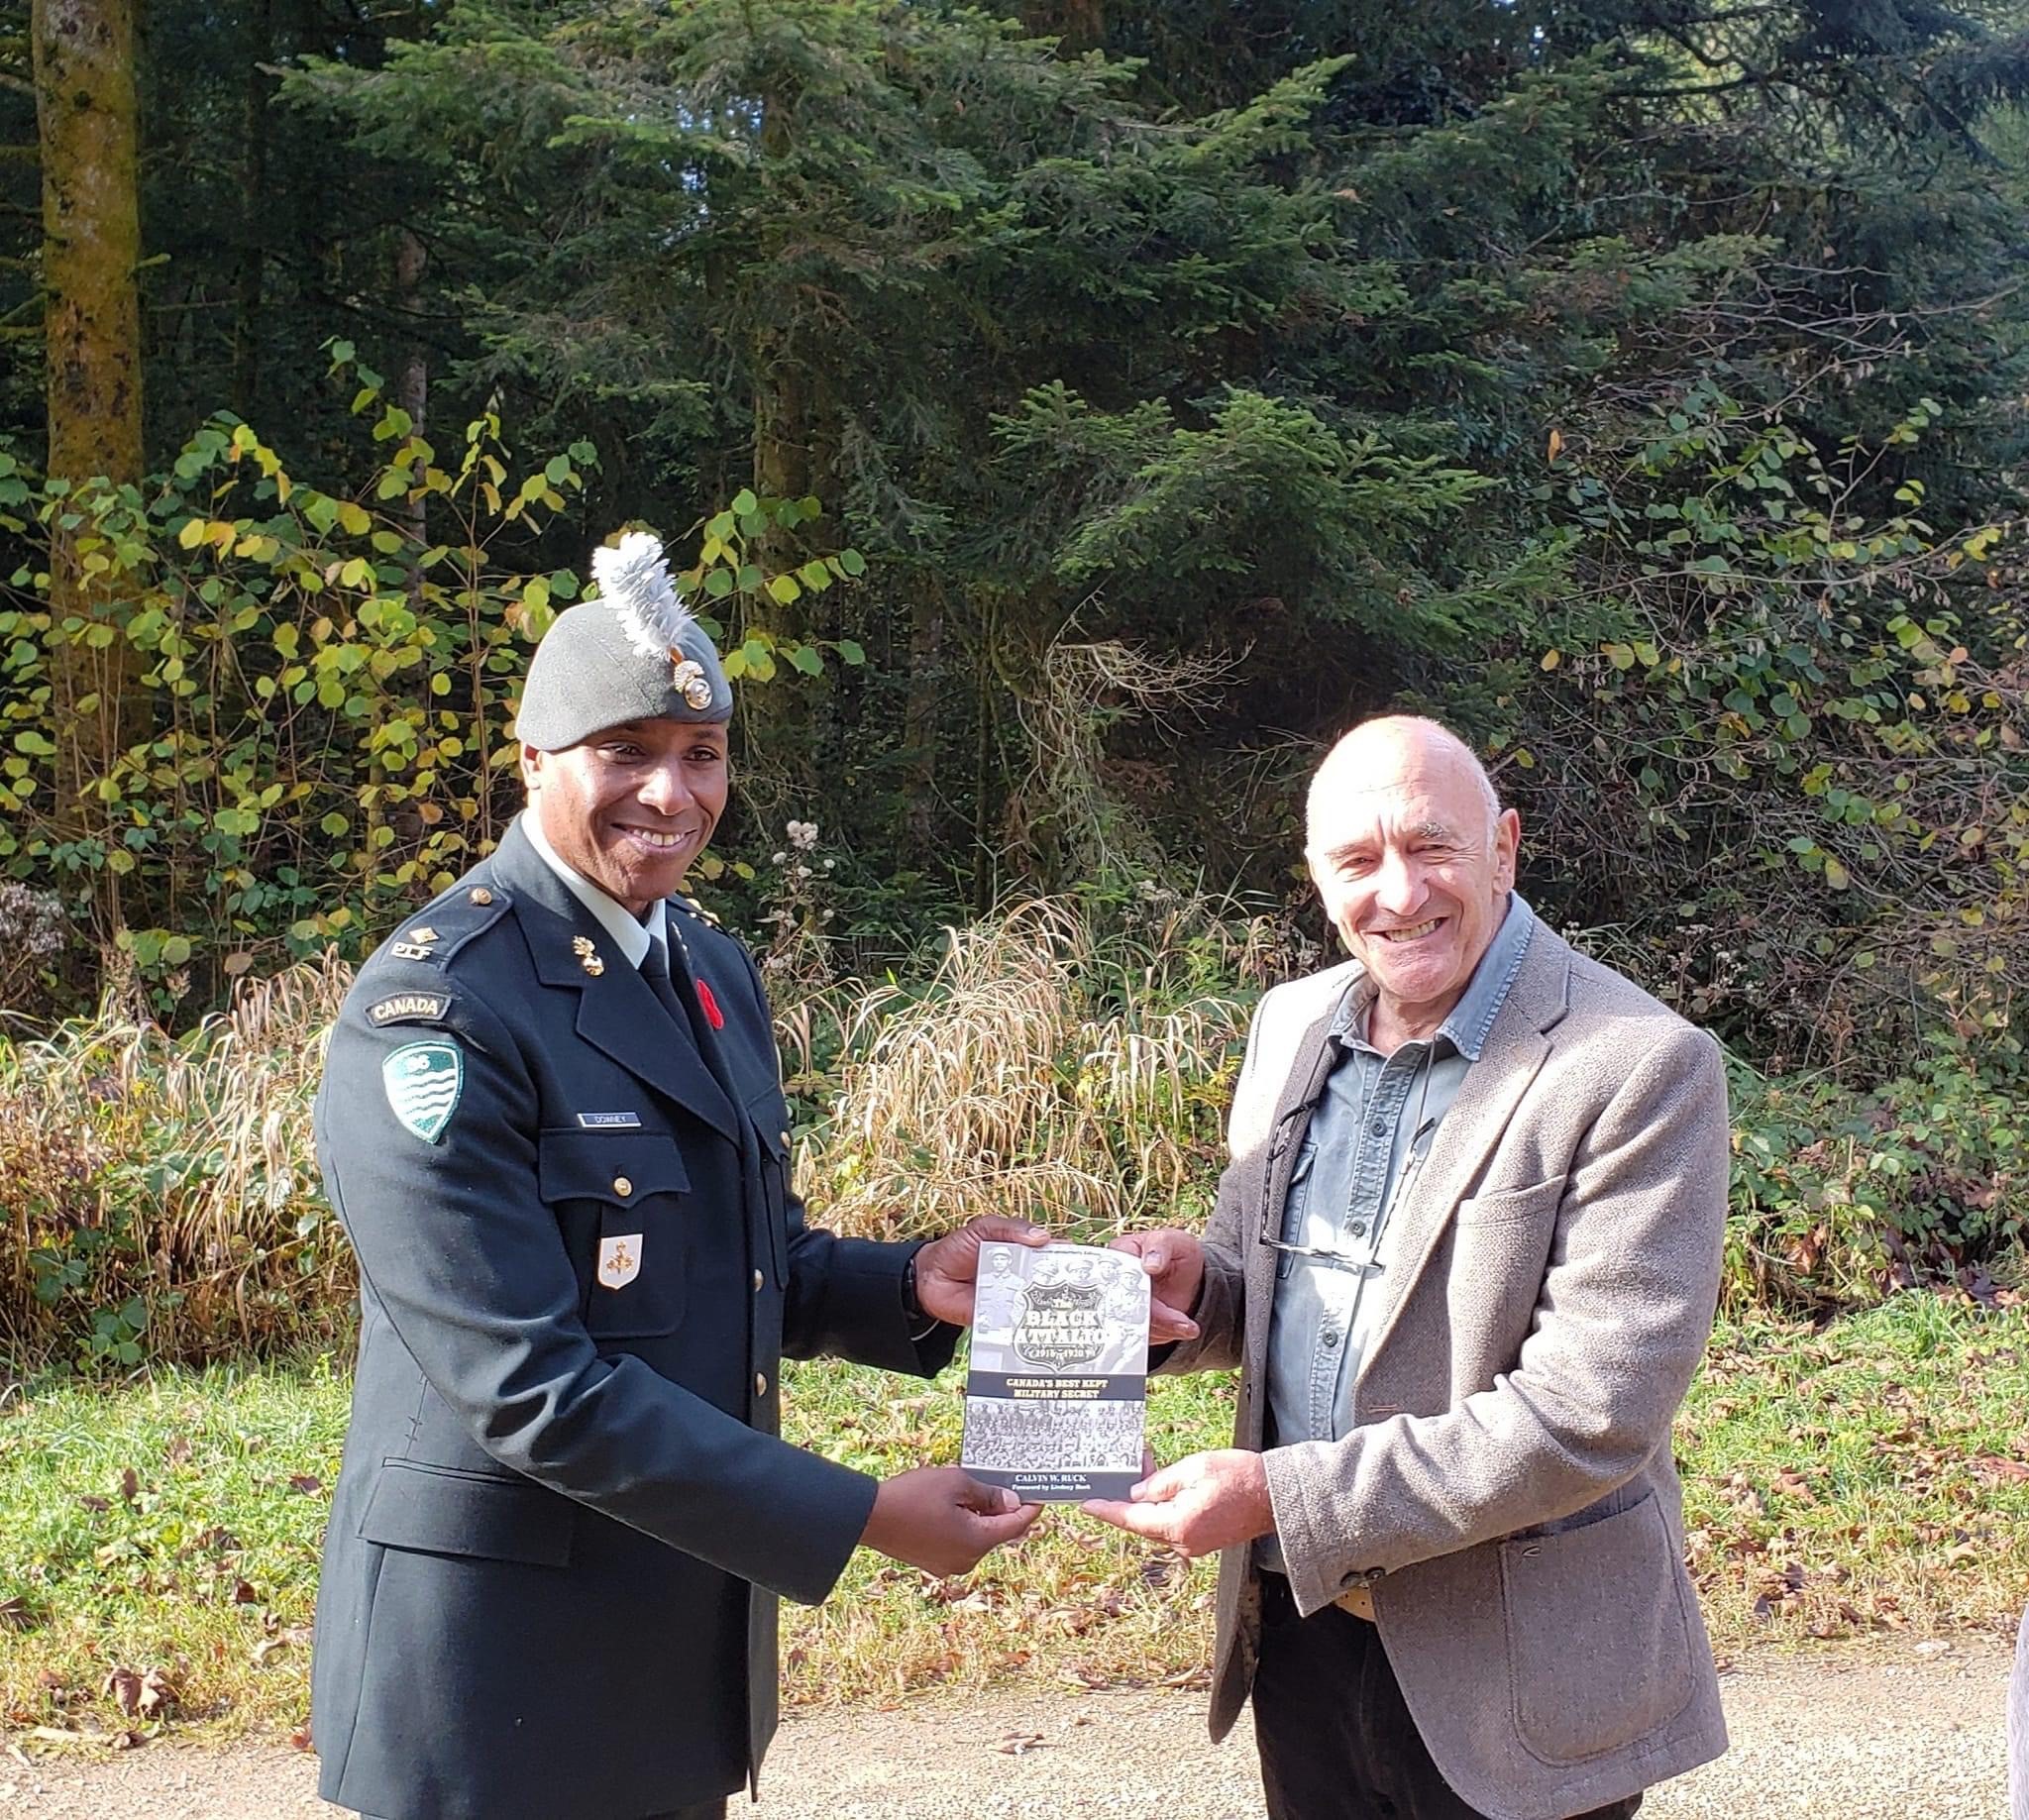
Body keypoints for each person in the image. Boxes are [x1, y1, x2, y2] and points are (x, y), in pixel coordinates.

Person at [310, 531, 1043, 1820]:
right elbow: (528, 1387)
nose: (671, 791)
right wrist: (867, 1513)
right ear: (536, 760)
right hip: (494, 1681)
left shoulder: (704, 968)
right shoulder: (435, 1009)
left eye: (701, 755)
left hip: (671, 1648)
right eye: (627, 752)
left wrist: (918, 1284)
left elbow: (742, 1261)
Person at [1087, 715, 1732, 1820]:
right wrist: (1194, 1291)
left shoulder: (1635, 1064)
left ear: (1503, 847)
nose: (1396, 891)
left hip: (1520, 1672)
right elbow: (1268, 1282)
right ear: (1315, 879)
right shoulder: (1293, 1023)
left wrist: (1276, 1495)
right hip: (1302, 1637)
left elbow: (1589, 1414)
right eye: (1355, 859)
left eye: (1429, 845)